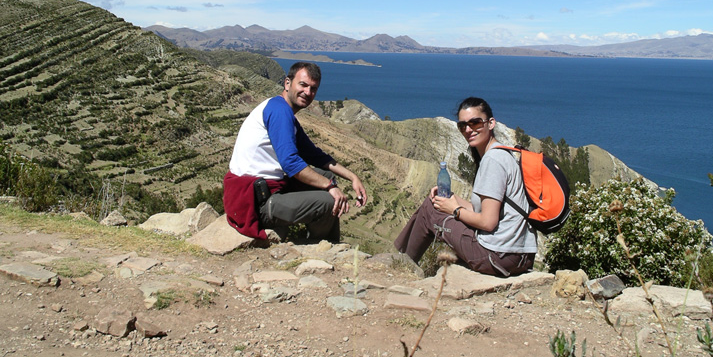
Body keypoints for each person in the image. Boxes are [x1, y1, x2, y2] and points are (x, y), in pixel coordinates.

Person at [223, 61, 367, 243]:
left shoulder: (283, 111)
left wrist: (353, 177)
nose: (308, 92)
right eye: (303, 85)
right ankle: (321, 246)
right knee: (329, 200)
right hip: (255, 201)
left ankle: (320, 239)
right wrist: (330, 187)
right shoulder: (279, 111)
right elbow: (290, 163)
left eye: (313, 89)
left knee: (325, 175)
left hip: (267, 187)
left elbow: (314, 154)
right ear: (287, 83)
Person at [394, 96, 536, 277]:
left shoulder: (493, 160)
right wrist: (452, 200)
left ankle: (403, 266)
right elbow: (486, 211)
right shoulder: (503, 154)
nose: (468, 130)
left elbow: (487, 222)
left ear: (491, 123)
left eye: (475, 123)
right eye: (462, 126)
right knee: (437, 201)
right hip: (518, 257)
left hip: (497, 257)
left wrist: (455, 210)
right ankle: (402, 258)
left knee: (430, 208)